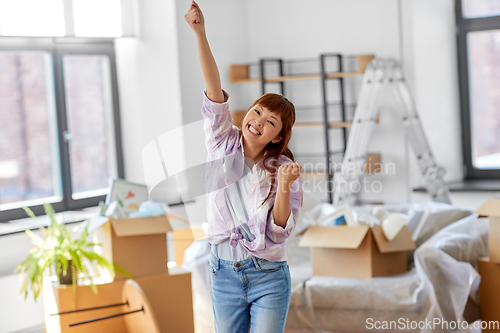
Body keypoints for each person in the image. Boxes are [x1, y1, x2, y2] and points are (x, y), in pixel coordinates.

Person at [185, 2, 302, 332]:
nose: (259, 122)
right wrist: (200, 33)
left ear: (278, 136)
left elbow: (279, 230)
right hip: (222, 272)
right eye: (257, 111)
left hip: (268, 274)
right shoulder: (222, 141)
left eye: (271, 122)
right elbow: (213, 92)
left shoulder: (284, 167)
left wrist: (286, 185)